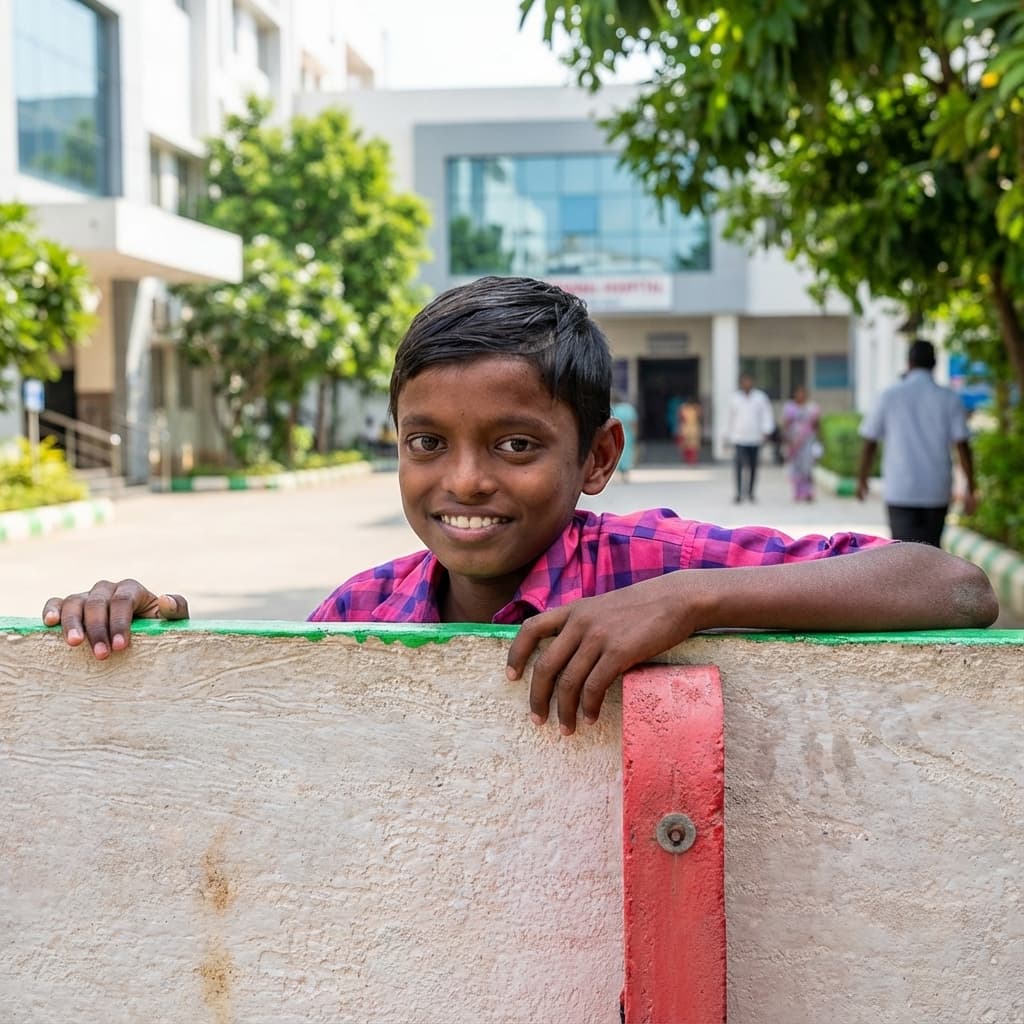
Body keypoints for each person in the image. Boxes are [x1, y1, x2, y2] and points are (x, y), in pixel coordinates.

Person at [43, 278, 997, 736]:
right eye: (427, 443)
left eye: (516, 445)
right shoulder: (361, 609)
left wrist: (691, 600)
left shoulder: (644, 565)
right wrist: (153, 637)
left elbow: (954, 587)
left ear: (598, 456)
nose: (463, 481)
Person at [856, 339, 977, 548]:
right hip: (936, 491)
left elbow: (870, 441)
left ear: (908, 363)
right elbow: (962, 446)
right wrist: (971, 487)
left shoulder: (889, 396)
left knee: (903, 555)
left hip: (900, 490)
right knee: (931, 553)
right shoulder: (949, 398)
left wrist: (862, 479)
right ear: (934, 363)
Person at [726, 372, 775, 503]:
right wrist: (729, 436)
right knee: (739, 466)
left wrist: (767, 430)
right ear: (741, 383)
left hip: (755, 437)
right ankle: (738, 493)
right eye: (744, 381)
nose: (746, 384)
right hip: (739, 438)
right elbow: (730, 418)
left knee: (753, 467)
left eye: (749, 381)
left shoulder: (760, 397)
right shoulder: (735, 398)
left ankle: (751, 492)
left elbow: (767, 415)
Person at [782, 385, 822, 502]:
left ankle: (808, 492)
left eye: (803, 393)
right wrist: (786, 439)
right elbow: (786, 424)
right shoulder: (790, 407)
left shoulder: (812, 408)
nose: (800, 396)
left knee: (808, 467)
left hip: (808, 442)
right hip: (794, 443)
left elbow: (817, 425)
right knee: (796, 468)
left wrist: (819, 439)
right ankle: (798, 492)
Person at [609, 391, 638, 482]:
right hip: (628, 434)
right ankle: (626, 474)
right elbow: (634, 423)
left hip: (616, 434)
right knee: (627, 453)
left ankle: (617, 473)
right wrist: (635, 434)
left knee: (617, 452)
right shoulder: (629, 408)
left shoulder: (613, 409)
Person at [676, 398, 701, 465]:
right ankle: (689, 460)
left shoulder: (694, 408)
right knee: (687, 445)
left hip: (691, 427)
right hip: (688, 427)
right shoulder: (685, 409)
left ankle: (691, 460)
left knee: (692, 445)